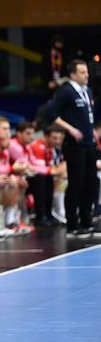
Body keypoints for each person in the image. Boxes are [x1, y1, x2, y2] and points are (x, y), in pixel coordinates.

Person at [45, 60, 97, 238]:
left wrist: (92, 132)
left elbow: (87, 115)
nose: (87, 75)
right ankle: (72, 226)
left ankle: (87, 221)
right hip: (74, 145)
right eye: (83, 72)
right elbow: (50, 113)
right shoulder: (66, 91)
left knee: (91, 183)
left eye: (87, 72)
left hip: (89, 143)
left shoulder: (87, 91)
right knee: (76, 184)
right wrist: (70, 129)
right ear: (73, 74)